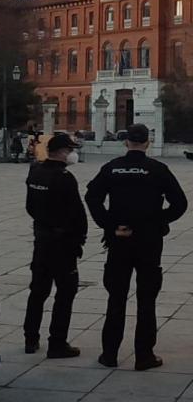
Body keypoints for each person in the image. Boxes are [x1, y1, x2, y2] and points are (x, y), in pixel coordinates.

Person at [85, 123, 188, 370]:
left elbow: (92, 197)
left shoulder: (112, 168)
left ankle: (109, 354)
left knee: (116, 298)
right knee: (146, 299)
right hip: (149, 243)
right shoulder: (158, 169)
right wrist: (157, 221)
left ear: (126, 142)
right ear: (148, 143)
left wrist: (109, 225)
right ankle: (144, 356)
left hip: (119, 240)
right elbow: (180, 204)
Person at [23, 133, 86, 358]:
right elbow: (77, 213)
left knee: (38, 291)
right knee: (65, 293)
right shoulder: (64, 177)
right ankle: (57, 342)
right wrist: (78, 240)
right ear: (61, 151)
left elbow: (30, 207)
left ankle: (30, 338)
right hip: (62, 244)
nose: (72, 154)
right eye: (69, 150)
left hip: (41, 240)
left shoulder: (35, 172)